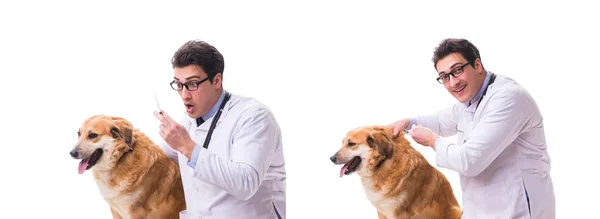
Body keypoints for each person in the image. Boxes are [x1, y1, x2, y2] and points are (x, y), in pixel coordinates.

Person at [387, 38, 555, 218]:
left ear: (478, 65)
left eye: (457, 70)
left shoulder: (509, 99)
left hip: (516, 210)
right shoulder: (470, 100)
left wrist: (433, 141)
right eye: (444, 77)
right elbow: (441, 121)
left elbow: (469, 161)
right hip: (481, 210)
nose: (453, 83)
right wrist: (408, 122)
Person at [154, 40, 286, 219]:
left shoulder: (254, 117)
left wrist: (187, 147)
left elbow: (245, 183)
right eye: (179, 84)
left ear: (216, 80)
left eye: (193, 84)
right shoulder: (189, 123)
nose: (184, 94)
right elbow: (155, 159)